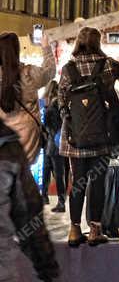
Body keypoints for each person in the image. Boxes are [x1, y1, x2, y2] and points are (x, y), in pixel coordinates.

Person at [57, 27, 119, 247]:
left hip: (75, 139)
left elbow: (61, 101)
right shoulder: (107, 65)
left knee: (77, 182)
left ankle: (74, 229)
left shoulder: (68, 69)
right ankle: (95, 230)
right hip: (101, 136)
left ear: (78, 43)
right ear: (98, 43)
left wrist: (70, 120)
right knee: (97, 183)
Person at [0, 117, 63, 282]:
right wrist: (49, 276)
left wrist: (49, 274)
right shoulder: (8, 146)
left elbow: (28, 217)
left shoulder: (8, 147)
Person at [0, 31, 55, 160]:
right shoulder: (28, 73)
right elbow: (50, 71)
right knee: (23, 176)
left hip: (3, 140)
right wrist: (46, 47)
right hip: (28, 137)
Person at [39, 81, 68, 212]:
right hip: (57, 143)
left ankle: (55, 200)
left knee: (54, 172)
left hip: (52, 143)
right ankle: (58, 200)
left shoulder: (51, 106)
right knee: (58, 173)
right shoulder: (60, 104)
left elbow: (47, 126)